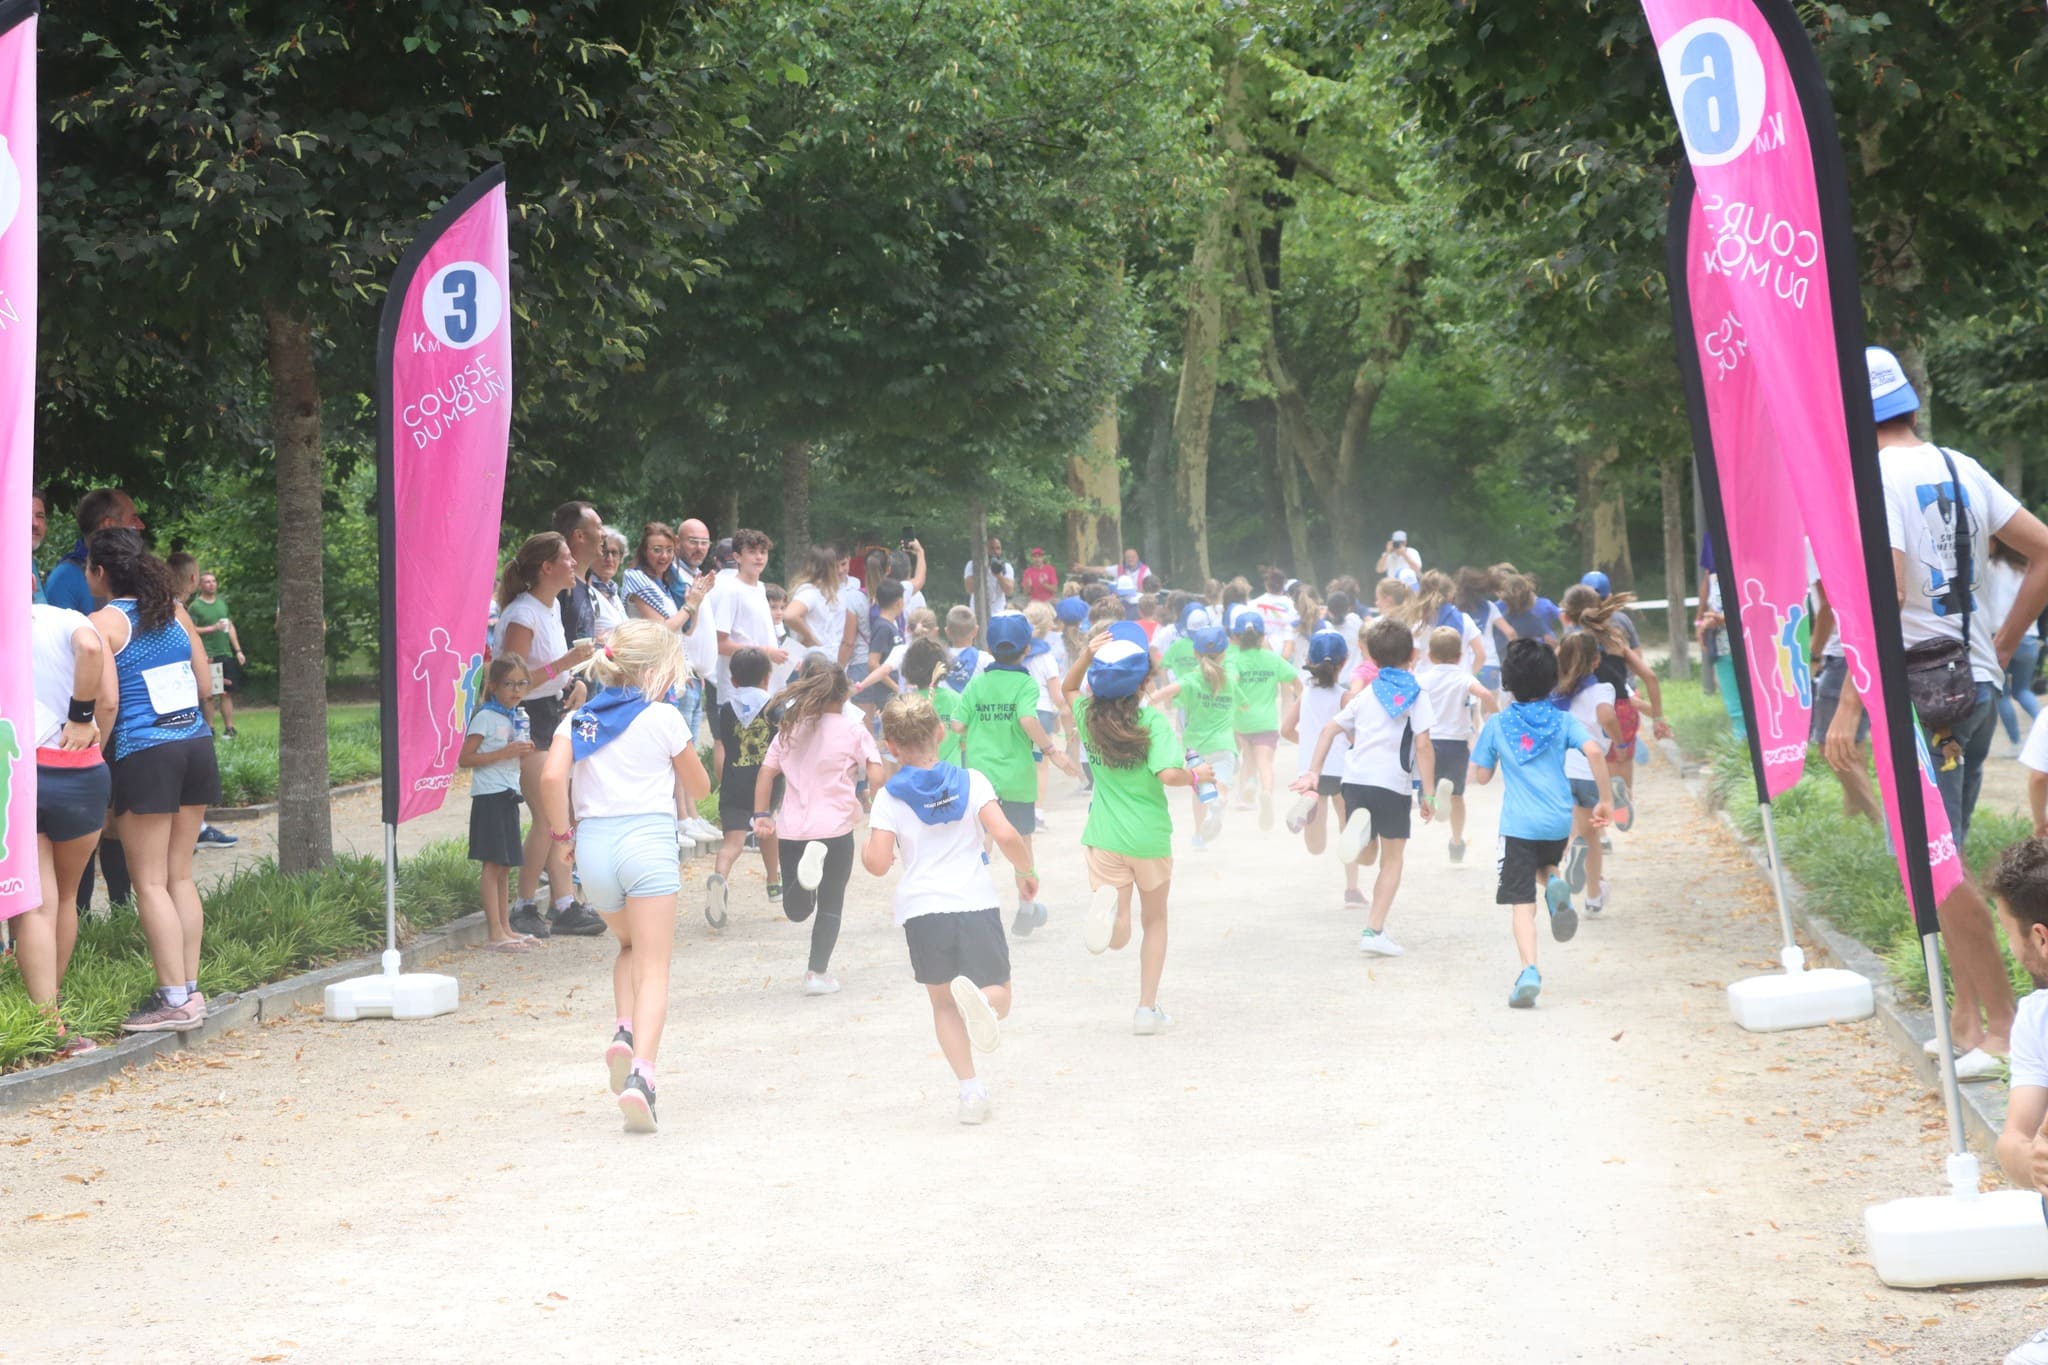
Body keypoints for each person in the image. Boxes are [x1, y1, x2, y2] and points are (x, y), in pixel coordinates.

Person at [1828, 346, 2048, 1061]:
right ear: (1911, 405)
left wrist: (1851, 705)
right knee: (1945, 856)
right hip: (1973, 686)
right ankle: (1967, 1020)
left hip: (1920, 700)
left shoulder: (1874, 479)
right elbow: (2044, 549)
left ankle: (2007, 1027)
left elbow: (1885, 596)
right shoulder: (1961, 465)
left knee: (1937, 867)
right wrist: (2002, 643)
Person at [538, 620, 712, 1133]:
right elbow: (700, 786)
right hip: (648, 845)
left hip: (594, 849)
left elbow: (552, 776)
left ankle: (623, 1029)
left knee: (629, 946)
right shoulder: (663, 717)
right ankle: (642, 1076)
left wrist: (562, 836)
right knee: (654, 966)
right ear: (653, 670)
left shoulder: (578, 721)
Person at [864, 691, 1036, 1124]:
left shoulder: (888, 797)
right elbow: (1006, 834)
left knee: (943, 1004)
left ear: (891, 746)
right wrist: (1025, 871)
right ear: (940, 733)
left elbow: (878, 863)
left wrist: (868, 841)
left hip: (923, 909)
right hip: (975, 902)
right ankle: (981, 1000)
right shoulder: (972, 781)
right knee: (1001, 995)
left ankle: (970, 1092)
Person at [86, 530, 219, 1033]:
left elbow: (108, 703)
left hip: (145, 753)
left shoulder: (104, 622)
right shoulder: (174, 611)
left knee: (149, 882)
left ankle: (172, 999)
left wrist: (93, 759)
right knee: (179, 876)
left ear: (100, 571)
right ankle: (191, 990)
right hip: (195, 745)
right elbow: (203, 684)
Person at [1064, 629, 1205, 1035]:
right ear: (1144, 682)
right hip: (1148, 838)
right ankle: (1146, 1009)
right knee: (1155, 922)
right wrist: (1197, 775)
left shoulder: (1087, 717)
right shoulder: (1153, 724)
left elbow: (1068, 688)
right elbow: (1168, 774)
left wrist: (1085, 656)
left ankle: (1111, 919)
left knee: (1120, 933)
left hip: (1104, 836)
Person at [1469, 639, 1612, 1008]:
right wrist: (1605, 800)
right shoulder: (1563, 721)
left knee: (1521, 903)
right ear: (1552, 680)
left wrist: (1484, 758)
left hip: (1519, 825)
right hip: (1557, 821)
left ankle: (1529, 971)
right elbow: (1594, 751)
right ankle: (1555, 882)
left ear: (1508, 682)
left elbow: (1481, 777)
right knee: (1545, 865)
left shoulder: (1497, 724)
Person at [1294, 617, 1438, 958]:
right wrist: (1428, 793)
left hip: (1354, 781)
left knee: (1369, 854)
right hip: (1392, 785)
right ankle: (1374, 930)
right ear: (1412, 656)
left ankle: (1360, 837)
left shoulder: (1365, 694)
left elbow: (1329, 730)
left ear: (1371, 657)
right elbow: (1423, 746)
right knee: (1392, 859)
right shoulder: (1416, 695)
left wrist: (1314, 772)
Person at [491, 533, 602, 939]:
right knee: (546, 816)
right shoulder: (523, 614)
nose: (575, 564)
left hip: (551, 713)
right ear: (547, 567)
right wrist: (565, 664)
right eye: (568, 557)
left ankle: (564, 903)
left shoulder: (551, 606)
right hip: (524, 718)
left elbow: (553, 670)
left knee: (563, 815)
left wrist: (575, 682)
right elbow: (512, 681)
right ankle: (524, 905)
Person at [753, 658, 884, 995]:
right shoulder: (853, 730)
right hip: (835, 828)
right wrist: (877, 803)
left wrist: (761, 815)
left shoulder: (789, 729)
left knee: (797, 911)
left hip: (793, 829)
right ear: (844, 695)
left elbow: (767, 773)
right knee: (831, 903)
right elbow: (876, 771)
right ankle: (816, 974)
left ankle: (801, 887)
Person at [18, 600, 114, 1055]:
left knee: (37, 905)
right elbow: (91, 652)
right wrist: (80, 717)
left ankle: (46, 1023)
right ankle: (54, 1005)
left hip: (20, 770)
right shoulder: (64, 618)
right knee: (68, 896)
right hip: (76, 766)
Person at [958, 613, 1076, 935]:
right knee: (1022, 843)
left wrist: (976, 732)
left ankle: (971, 908)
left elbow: (956, 724)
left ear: (988, 648)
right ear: (1026, 649)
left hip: (980, 778)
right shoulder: (1025, 683)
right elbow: (1026, 718)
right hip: (1017, 778)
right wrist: (1052, 750)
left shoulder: (977, 683)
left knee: (982, 840)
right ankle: (1026, 909)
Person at [1989, 841, 2048, 1365]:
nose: (2010, 948)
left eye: (2008, 931)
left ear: (2040, 938)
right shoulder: (2036, 1017)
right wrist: (2033, 1161)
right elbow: (2013, 1139)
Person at [1557, 584, 1671, 829]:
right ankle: (1621, 810)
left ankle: (1598, 830)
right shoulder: (1615, 639)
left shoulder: (1570, 643)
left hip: (1582, 710)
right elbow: (1650, 677)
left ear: (1567, 612)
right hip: (1621, 709)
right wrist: (1658, 717)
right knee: (1622, 761)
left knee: (1589, 768)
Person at [459, 656, 540, 953]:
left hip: (508, 793)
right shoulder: (485, 717)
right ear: (493, 686)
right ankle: (494, 932)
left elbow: (507, 754)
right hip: (489, 796)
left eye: (522, 683)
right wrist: (503, 753)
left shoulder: (513, 716)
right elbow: (465, 758)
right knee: (492, 864)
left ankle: (505, 927)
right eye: (509, 684)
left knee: (505, 865)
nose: (516, 690)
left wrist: (521, 751)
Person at [707, 647, 782, 926]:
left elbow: (725, 746)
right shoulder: (775, 708)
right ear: (767, 678)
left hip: (734, 782)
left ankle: (719, 879)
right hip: (767, 783)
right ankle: (773, 882)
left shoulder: (727, 710)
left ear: (733, 680)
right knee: (767, 829)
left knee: (732, 844)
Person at [1550, 633, 1619, 914]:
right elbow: (1607, 716)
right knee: (1591, 836)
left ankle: (1567, 858)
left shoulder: (1555, 692)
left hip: (1560, 771)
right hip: (1590, 773)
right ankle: (1593, 896)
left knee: (1569, 828)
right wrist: (1618, 738)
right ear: (1596, 661)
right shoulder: (1602, 690)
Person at [1417, 625, 1494, 865]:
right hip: (1456, 745)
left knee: (1426, 789)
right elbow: (1486, 695)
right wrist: (1496, 715)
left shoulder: (1422, 680)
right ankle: (1457, 841)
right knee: (1457, 795)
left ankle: (1430, 801)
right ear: (1460, 656)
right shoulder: (1464, 678)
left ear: (1430, 656)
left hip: (1429, 742)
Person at [1280, 629, 1352, 884]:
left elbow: (1286, 730)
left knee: (1316, 847)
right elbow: (1354, 736)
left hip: (1311, 774)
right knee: (1348, 831)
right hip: (1342, 771)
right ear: (1344, 662)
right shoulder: (1345, 697)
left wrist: (1309, 745)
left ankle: (1306, 807)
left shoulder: (1306, 695)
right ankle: (1352, 888)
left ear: (1310, 661)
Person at [1228, 615, 1295, 830]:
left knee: (1248, 758)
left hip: (1242, 721)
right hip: (1266, 721)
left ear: (1236, 637)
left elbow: (1230, 685)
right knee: (1265, 763)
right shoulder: (1273, 659)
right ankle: (1265, 792)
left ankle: (1246, 794)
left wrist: (1240, 702)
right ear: (1262, 637)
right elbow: (1296, 681)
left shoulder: (1235, 660)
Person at [44, 488, 145, 614]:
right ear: (109, 525)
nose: (141, 526)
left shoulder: (135, 571)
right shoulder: (65, 578)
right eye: (133, 519)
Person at [1987, 538, 2043, 745]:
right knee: (2023, 690)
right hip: (2028, 638)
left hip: (1998, 637)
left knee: (2002, 695)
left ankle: (2016, 743)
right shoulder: (2028, 569)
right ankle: (2044, 734)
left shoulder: (1989, 568)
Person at [185, 570, 246, 738]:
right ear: (200, 585)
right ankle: (210, 729)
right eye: (207, 581)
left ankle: (230, 729)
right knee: (209, 694)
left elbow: (230, 626)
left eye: (213, 581)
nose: (211, 584)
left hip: (224, 652)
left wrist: (238, 651)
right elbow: (191, 629)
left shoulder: (222, 604)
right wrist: (212, 628)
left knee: (226, 693)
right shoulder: (195, 606)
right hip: (208, 654)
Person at [786, 544, 858, 668]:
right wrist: (810, 637)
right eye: (834, 567)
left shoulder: (844, 587)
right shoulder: (811, 591)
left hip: (831, 660)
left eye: (843, 564)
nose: (840, 570)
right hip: (815, 662)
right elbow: (790, 616)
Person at [851, 578, 906, 723]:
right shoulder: (882, 627)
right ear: (899, 602)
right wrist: (896, 687)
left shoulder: (890, 626)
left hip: (892, 691)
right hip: (886, 694)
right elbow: (873, 663)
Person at [552, 500, 605, 648]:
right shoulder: (559, 585)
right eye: (599, 527)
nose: (604, 534)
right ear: (579, 536)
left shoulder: (583, 584)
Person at [1249, 568, 1302, 661]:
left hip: (1262, 653)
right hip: (1288, 654)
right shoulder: (1293, 606)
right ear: (1284, 584)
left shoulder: (1252, 605)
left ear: (1266, 585)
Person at [589, 528, 629, 640]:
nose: (609, 558)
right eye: (604, 552)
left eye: (614, 553)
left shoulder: (613, 593)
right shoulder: (586, 591)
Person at [962, 537, 1015, 617]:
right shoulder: (972, 565)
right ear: (984, 550)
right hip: (977, 613)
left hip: (999, 614)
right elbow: (969, 589)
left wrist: (998, 575)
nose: (995, 552)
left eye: (998, 548)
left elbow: (1009, 591)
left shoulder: (1006, 567)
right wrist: (982, 569)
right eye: (991, 548)